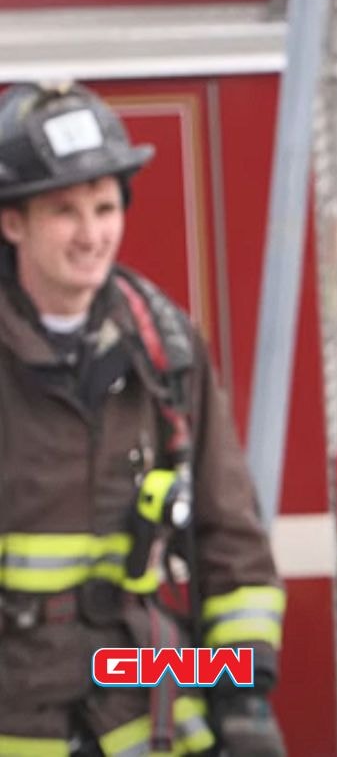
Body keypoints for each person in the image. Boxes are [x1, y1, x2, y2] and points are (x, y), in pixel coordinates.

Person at [0, 82, 286, 756]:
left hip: (135, 681)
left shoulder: (165, 348)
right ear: (13, 222)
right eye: (65, 211)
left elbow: (230, 535)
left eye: (104, 208)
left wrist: (242, 692)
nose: (92, 234)